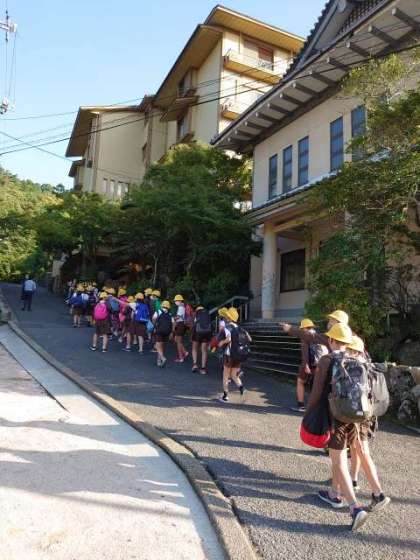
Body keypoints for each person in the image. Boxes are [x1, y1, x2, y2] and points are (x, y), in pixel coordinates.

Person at [306, 322, 370, 531]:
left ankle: (354, 507)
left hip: (335, 417)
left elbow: (317, 391)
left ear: (332, 340)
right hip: (354, 417)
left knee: (339, 460)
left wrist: (309, 412)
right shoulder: (356, 358)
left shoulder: (327, 360)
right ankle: (334, 493)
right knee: (339, 458)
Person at [345, 335, 391, 511]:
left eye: (348, 349)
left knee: (363, 451)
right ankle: (353, 480)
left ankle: (378, 494)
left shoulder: (355, 367)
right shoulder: (368, 364)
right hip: (369, 415)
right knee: (356, 449)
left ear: (353, 351)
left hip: (359, 416)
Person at [290, 318, 328, 413]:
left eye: (302, 328)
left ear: (304, 328)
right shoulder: (317, 335)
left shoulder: (305, 337)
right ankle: (317, 408)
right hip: (322, 364)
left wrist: (305, 365)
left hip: (312, 365)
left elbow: (305, 353)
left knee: (300, 381)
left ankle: (301, 405)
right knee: (317, 386)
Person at [218, 307, 250, 403]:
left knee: (225, 375)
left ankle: (225, 396)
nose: (226, 317)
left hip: (229, 354)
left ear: (229, 317)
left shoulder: (228, 327)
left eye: (227, 316)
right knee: (234, 375)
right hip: (238, 355)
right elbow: (249, 339)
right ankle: (242, 388)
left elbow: (228, 339)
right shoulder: (240, 328)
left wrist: (222, 342)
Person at [191, 305, 212, 374]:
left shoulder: (196, 314)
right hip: (206, 333)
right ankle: (203, 368)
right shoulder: (207, 315)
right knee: (204, 350)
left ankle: (195, 365)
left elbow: (193, 325)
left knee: (194, 348)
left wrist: (192, 335)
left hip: (197, 332)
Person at [152, 300, 173, 368]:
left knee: (157, 346)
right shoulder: (170, 314)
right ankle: (159, 361)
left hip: (159, 331)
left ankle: (162, 358)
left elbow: (153, 319)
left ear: (162, 305)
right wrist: (171, 332)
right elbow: (173, 323)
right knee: (162, 346)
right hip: (167, 332)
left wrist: (155, 326)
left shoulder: (158, 311)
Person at [173, 294, 189, 363]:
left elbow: (178, 317)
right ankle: (185, 352)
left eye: (176, 301)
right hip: (181, 325)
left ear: (179, 301)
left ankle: (181, 358)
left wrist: (172, 319)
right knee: (176, 340)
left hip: (180, 325)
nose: (175, 302)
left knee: (178, 342)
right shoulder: (182, 307)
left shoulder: (181, 307)